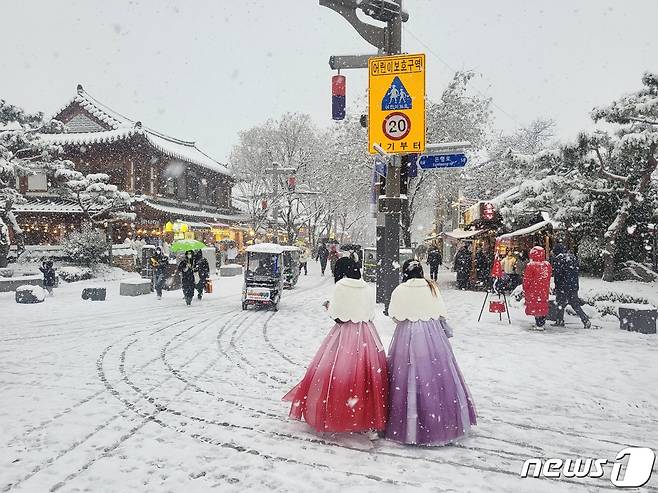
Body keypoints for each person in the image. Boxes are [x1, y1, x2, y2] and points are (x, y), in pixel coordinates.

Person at [283, 257, 388, 434]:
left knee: (337, 371)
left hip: (345, 333)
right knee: (366, 374)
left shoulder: (341, 287)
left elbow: (338, 315)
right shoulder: (367, 288)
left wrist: (329, 307)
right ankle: (363, 414)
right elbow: (370, 314)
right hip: (367, 333)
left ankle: (338, 411)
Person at [386, 259, 477, 445]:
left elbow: (394, 315)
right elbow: (441, 312)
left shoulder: (400, 290)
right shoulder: (431, 287)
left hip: (407, 333)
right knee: (435, 375)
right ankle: (438, 419)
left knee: (406, 374)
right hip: (432, 333)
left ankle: (409, 421)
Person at [552, 244, 591, 329]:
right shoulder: (572, 258)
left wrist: (557, 287)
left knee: (560, 303)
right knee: (575, 304)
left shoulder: (558, 259)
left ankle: (560, 321)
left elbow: (558, 275)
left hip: (563, 286)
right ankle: (585, 319)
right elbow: (576, 272)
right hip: (573, 286)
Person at [522, 246, 552, 330]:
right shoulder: (547, 265)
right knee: (542, 305)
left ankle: (539, 323)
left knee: (535, 306)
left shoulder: (531, 265)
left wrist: (525, 288)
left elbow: (527, 279)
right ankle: (541, 322)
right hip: (544, 289)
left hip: (533, 289)